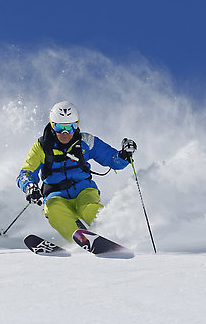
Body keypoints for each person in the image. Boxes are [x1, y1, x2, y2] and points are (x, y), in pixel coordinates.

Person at [16, 101, 137, 241]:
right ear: (52, 125)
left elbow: (112, 160)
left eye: (71, 126)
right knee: (54, 211)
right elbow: (25, 174)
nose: (66, 133)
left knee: (90, 209)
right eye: (60, 127)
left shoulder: (86, 141)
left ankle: (113, 236)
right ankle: (80, 241)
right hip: (56, 195)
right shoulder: (41, 147)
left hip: (84, 191)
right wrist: (30, 187)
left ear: (77, 125)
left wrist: (124, 155)